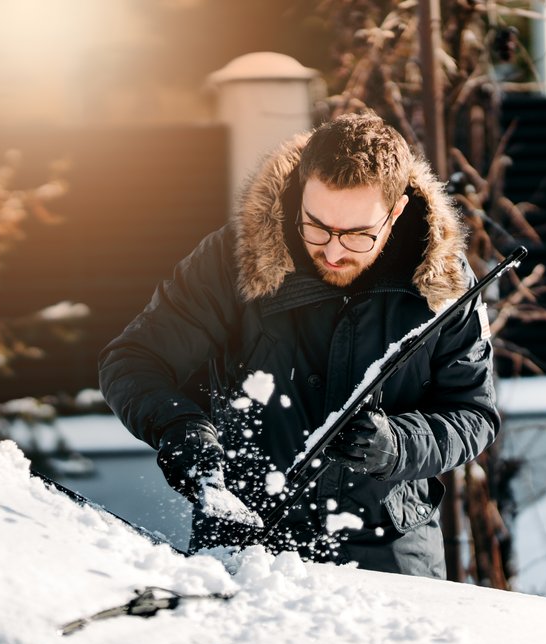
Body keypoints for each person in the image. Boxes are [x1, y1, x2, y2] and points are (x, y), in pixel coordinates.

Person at [98, 112, 500, 578]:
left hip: (388, 551)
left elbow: (473, 414)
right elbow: (132, 359)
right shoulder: (232, 261)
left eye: (357, 235)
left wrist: (398, 444)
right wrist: (178, 426)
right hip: (246, 540)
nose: (332, 251)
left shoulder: (445, 286)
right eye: (317, 226)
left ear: (395, 213)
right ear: (298, 192)